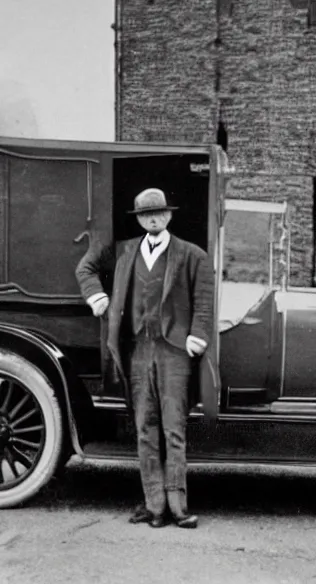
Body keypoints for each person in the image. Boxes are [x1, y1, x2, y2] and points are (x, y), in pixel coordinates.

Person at [75, 188, 214, 529]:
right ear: (138, 219)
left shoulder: (192, 255)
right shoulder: (124, 252)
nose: (153, 218)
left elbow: (205, 300)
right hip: (137, 351)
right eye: (146, 214)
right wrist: (97, 297)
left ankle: (178, 508)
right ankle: (154, 507)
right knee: (145, 430)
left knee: (174, 430)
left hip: (174, 353)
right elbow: (85, 268)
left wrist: (197, 335)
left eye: (159, 213)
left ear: (169, 216)